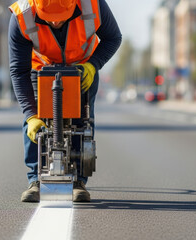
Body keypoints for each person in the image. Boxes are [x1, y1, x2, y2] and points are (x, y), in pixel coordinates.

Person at [9, 0, 122, 202]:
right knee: (36, 122)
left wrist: (93, 65)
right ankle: (35, 180)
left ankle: (79, 181)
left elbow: (113, 38)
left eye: (60, 18)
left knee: (82, 119)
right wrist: (31, 115)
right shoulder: (22, 14)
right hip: (42, 69)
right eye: (48, 18)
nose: (54, 23)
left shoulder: (93, 4)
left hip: (83, 68)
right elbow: (19, 70)